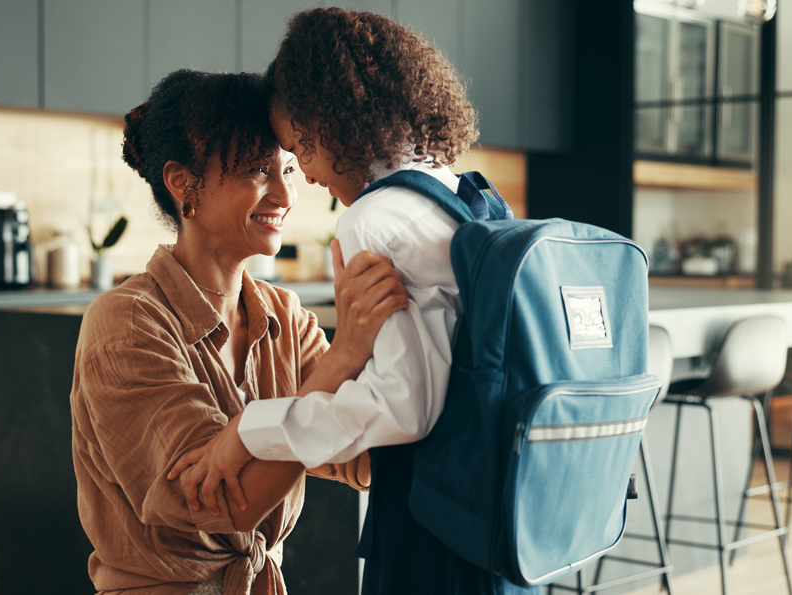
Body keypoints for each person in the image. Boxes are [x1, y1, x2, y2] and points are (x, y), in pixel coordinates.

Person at [170, 8, 539, 595]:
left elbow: (404, 409)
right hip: (502, 512)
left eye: (299, 150)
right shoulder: (456, 191)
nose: (307, 180)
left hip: (438, 526)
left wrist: (247, 429)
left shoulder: (373, 219)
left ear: (330, 122)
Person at [70, 69, 410, 595]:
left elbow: (351, 453)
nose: (284, 194)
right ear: (184, 182)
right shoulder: (127, 322)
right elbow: (219, 504)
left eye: (289, 168)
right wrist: (345, 356)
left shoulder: (283, 314)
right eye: (257, 169)